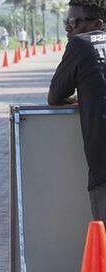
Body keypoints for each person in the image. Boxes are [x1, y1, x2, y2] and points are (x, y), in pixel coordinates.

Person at [47, 0, 106, 224]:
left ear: (98, 23)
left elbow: (55, 96)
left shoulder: (81, 45)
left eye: (73, 22)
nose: (67, 28)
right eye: (66, 21)